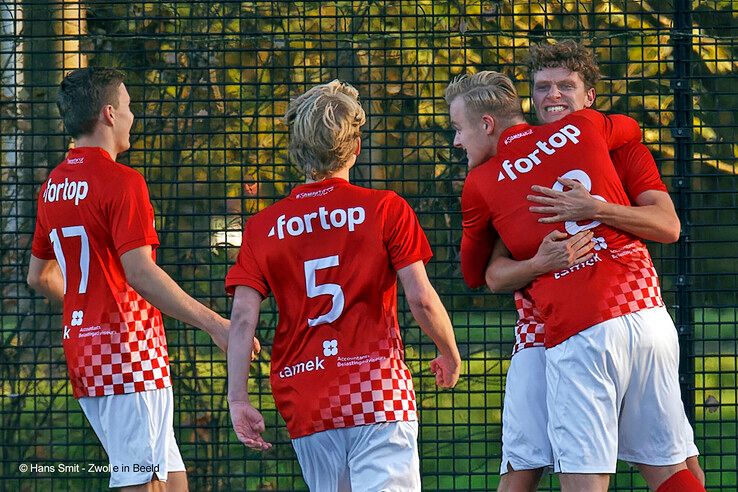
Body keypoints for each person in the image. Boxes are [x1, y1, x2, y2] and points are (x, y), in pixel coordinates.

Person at [447, 71, 705, 492]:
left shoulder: (481, 181)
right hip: (647, 313)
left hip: (579, 329)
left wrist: (531, 249)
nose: (457, 141)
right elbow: (632, 127)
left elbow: (474, 274)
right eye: (542, 87)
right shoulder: (588, 127)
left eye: (458, 129)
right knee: (671, 468)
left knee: (578, 475)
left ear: (487, 124)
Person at [225, 79, 461, 491]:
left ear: (297, 151)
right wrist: (449, 351)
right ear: (354, 148)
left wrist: (239, 399)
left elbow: (244, 318)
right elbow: (421, 299)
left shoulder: (263, 227)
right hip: (377, 392)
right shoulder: (386, 208)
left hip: (307, 396)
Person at [27, 67, 235, 491]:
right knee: (141, 482)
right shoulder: (122, 181)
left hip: (86, 351)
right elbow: (140, 272)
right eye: (127, 106)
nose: (132, 116)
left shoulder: (52, 187)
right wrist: (216, 324)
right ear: (108, 113)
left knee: (171, 478)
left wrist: (87, 305)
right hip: (127, 351)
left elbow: (39, 276)